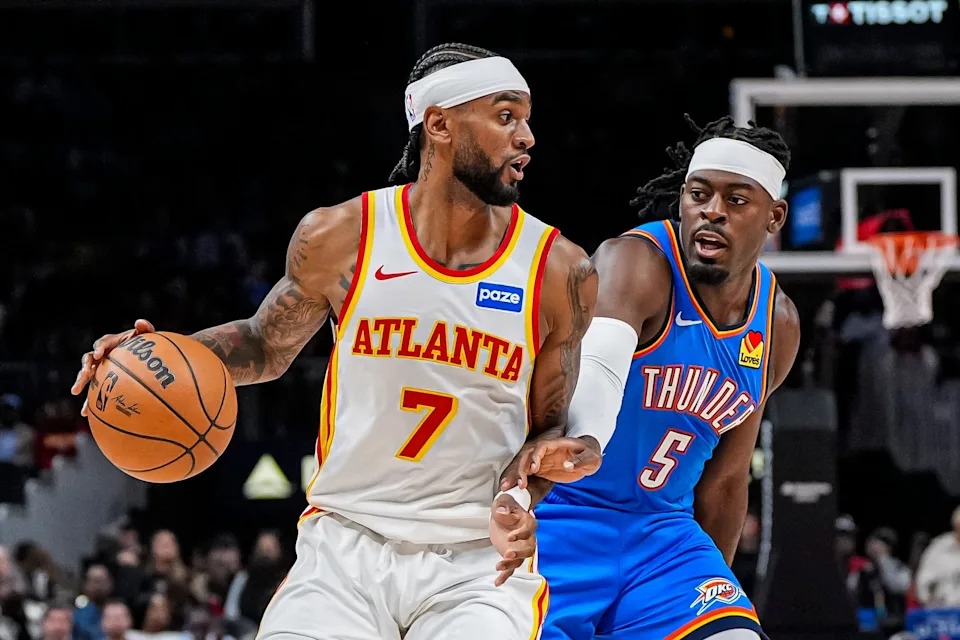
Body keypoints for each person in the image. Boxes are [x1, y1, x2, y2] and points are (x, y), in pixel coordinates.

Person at [71, 42, 601, 639]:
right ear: (440, 124)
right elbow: (263, 346)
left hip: (478, 561)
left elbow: (545, 432)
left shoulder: (559, 271)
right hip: (344, 547)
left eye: (527, 119)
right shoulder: (342, 236)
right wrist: (158, 356)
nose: (527, 136)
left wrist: (529, 491)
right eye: (507, 116)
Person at [506, 115, 801, 639]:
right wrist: (588, 439)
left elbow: (729, 478)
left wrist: (713, 586)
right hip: (562, 518)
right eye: (699, 194)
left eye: (737, 200)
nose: (712, 212)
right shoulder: (635, 261)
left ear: (774, 216)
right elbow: (599, 369)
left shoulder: (776, 323)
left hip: (663, 538)